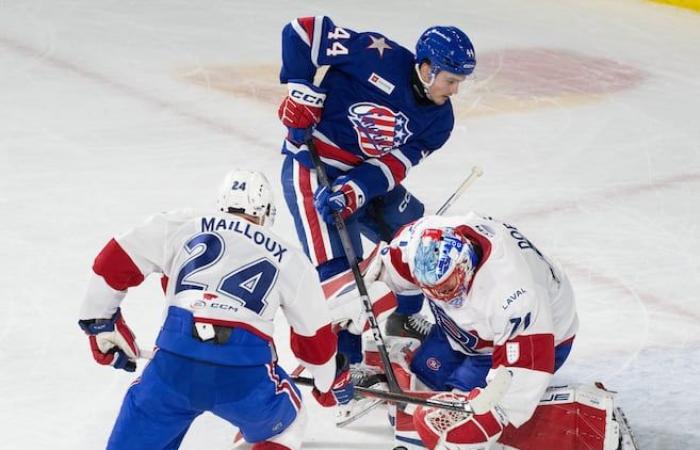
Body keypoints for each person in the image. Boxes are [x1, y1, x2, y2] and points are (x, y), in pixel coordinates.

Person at [77, 169, 353, 450]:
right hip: (244, 371)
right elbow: (315, 342)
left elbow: (113, 261)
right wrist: (327, 381)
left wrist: (99, 323)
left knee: (144, 422)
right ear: (266, 212)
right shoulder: (290, 256)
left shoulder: (183, 223)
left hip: (174, 361)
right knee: (287, 425)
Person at [276, 16, 477, 364]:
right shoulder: (375, 55)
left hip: (362, 176)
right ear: (427, 69)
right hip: (313, 169)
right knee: (340, 272)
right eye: (451, 80)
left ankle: (403, 318)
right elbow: (301, 31)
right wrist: (300, 89)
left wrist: (355, 189)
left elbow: (394, 165)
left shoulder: (440, 121)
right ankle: (346, 363)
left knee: (414, 235)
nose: (455, 90)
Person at [355, 212, 579, 449]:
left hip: (540, 342)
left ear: (464, 265)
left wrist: (495, 415)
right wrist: (353, 307)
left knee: (454, 418)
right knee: (421, 386)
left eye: (447, 287)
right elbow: (377, 274)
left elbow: (526, 367)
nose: (441, 296)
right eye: (430, 289)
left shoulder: (512, 293)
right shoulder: (415, 246)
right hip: (463, 333)